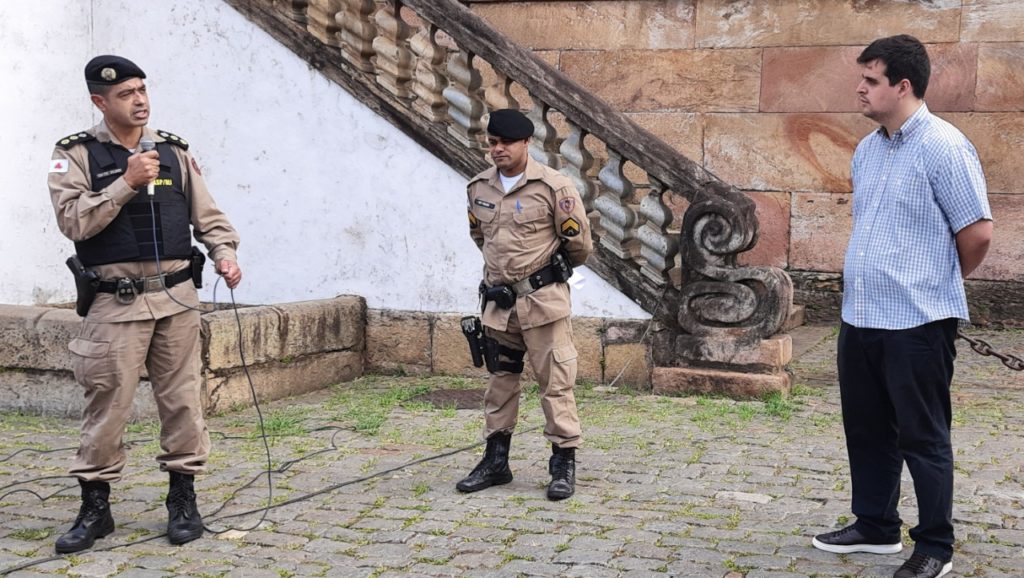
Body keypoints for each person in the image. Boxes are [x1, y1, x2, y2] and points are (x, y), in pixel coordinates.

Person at [811, 36, 992, 578]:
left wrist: (934, 282)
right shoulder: (868, 148)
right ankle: (876, 524)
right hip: (861, 316)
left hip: (918, 321)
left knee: (923, 436)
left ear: (902, 86)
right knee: (865, 427)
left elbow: (978, 233)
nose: (859, 88)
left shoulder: (945, 146)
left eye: (870, 80)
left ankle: (935, 544)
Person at [47, 55, 242, 554]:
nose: (139, 100)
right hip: (116, 304)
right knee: (107, 407)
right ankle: (96, 508)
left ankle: (183, 500)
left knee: (183, 403)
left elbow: (209, 216)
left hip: (177, 298)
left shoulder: (174, 151)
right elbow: (73, 223)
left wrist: (224, 253)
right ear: (100, 101)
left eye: (142, 89)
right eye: (125, 94)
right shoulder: (76, 155)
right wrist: (126, 182)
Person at [457, 109, 593, 500]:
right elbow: (479, 236)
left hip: (543, 303)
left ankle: (562, 464)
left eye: (505, 143)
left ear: (525, 144)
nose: (497, 150)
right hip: (499, 306)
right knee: (500, 383)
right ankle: (496, 461)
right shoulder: (478, 188)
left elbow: (579, 245)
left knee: (555, 383)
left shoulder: (554, 188)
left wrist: (536, 274)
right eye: (492, 143)